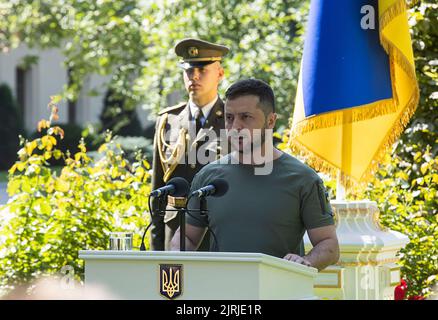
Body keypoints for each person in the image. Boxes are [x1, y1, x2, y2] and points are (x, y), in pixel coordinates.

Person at [170, 78, 339, 271]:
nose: (234, 127)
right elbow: (188, 237)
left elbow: (329, 245)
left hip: (279, 291)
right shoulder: (207, 176)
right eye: (229, 118)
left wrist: (306, 262)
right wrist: (176, 259)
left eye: (246, 117)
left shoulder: (303, 179)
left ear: (271, 121)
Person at [150, 38, 230, 251]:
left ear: (220, 74)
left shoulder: (234, 120)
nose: (194, 76)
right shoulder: (168, 121)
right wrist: (156, 250)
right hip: (175, 231)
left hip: (218, 232)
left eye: (202, 69)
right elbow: (158, 190)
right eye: (188, 70)